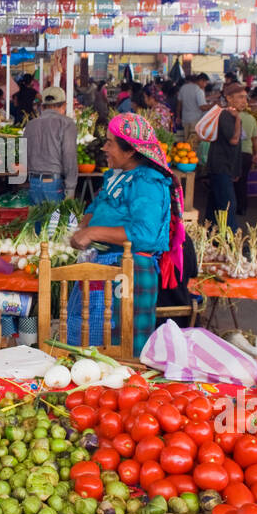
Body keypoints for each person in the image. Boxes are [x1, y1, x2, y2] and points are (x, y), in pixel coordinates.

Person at [68, 113, 185, 352]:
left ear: (131, 150)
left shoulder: (147, 183)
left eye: (110, 142)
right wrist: (83, 227)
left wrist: (93, 233)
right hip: (105, 268)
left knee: (120, 350)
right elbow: (96, 205)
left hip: (130, 272)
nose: (104, 147)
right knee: (91, 346)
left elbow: (145, 234)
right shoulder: (116, 175)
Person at [23, 86, 77, 204]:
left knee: (38, 222)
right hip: (54, 184)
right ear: (64, 106)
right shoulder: (66, 123)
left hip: (34, 183)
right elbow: (69, 156)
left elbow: (24, 156)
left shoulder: (30, 125)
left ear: (42, 107)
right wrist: (71, 189)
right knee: (56, 222)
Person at [206, 83, 248, 230]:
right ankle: (231, 242)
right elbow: (234, 140)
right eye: (240, 97)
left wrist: (235, 170)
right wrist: (238, 120)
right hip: (220, 166)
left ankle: (210, 238)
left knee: (216, 205)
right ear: (229, 98)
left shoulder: (231, 115)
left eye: (245, 98)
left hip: (224, 167)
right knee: (228, 205)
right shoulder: (226, 115)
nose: (244, 101)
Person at [233, 101, 257, 219]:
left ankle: (232, 206)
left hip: (234, 153)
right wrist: (256, 153)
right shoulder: (251, 119)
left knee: (232, 181)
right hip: (247, 154)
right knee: (242, 182)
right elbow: (255, 139)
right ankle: (242, 207)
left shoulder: (231, 117)